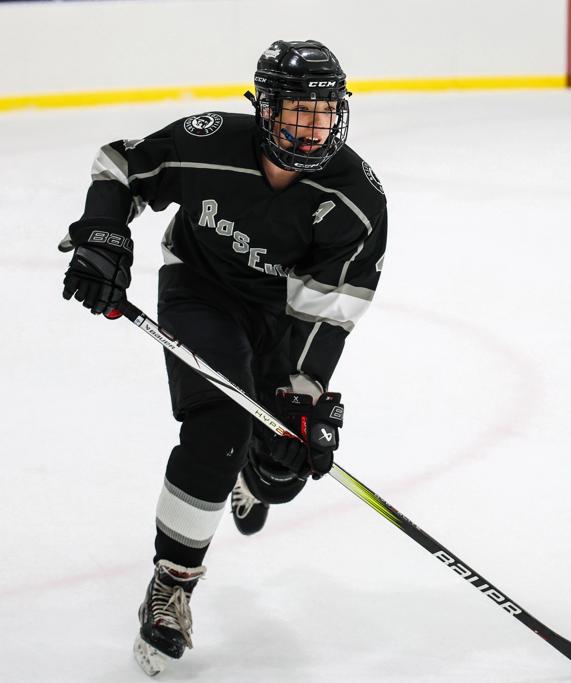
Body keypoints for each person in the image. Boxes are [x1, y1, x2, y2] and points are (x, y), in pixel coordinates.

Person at [59, 39, 387, 675]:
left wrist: (301, 397)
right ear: (265, 109)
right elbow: (121, 165)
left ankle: (251, 479)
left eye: (323, 113)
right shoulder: (209, 141)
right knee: (220, 426)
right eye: (297, 111)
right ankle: (172, 585)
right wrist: (103, 234)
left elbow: (329, 312)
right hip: (199, 289)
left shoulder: (356, 200)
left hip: (282, 318)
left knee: (283, 467)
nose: (312, 127)